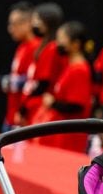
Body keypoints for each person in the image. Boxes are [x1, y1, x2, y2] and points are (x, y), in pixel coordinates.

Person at [35, 21, 93, 152]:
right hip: (62, 137)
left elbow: (77, 105)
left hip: (70, 138)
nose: (58, 44)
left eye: (62, 39)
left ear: (75, 44)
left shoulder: (79, 69)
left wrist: (53, 103)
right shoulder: (70, 66)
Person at [0, 1, 39, 131]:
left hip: (24, 120)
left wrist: (2, 82)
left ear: (28, 23)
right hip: (11, 117)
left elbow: (33, 81)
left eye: (14, 24)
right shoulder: (22, 47)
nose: (10, 29)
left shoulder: (37, 49)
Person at [20, 2, 68, 125]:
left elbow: (43, 83)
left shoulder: (51, 48)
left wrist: (24, 108)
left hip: (41, 107)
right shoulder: (44, 46)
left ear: (46, 21)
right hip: (37, 105)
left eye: (36, 19)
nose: (33, 23)